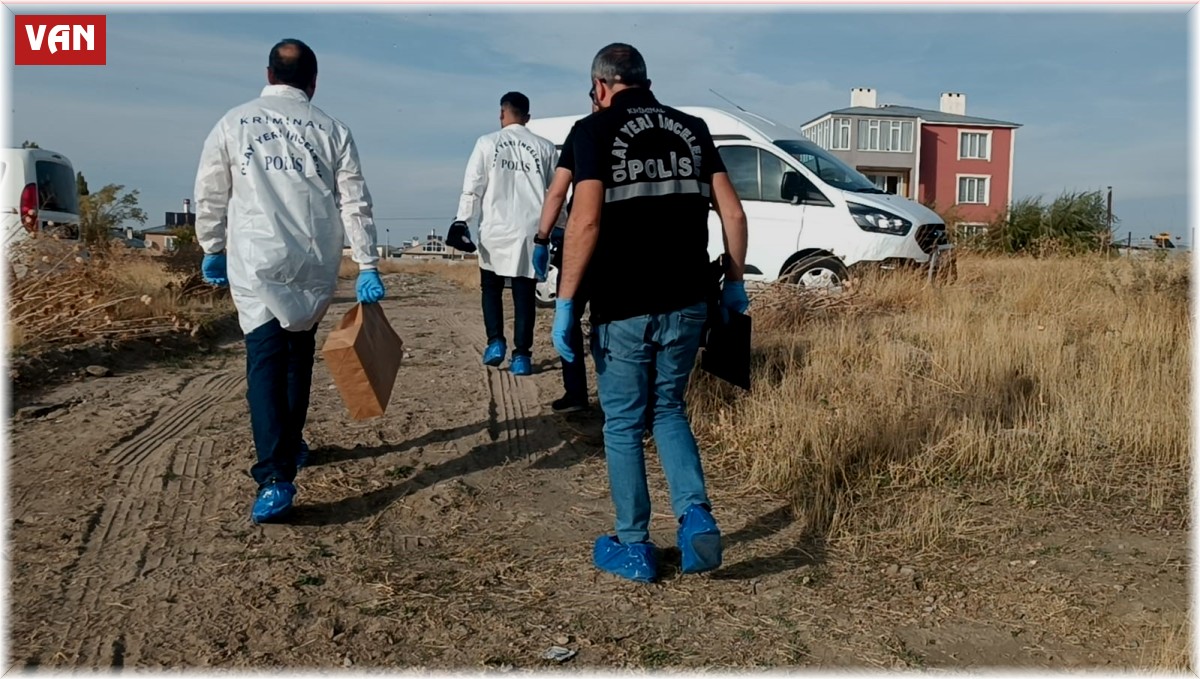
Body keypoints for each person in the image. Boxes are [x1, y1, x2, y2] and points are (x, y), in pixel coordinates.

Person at [552, 43, 749, 582]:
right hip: (689, 301)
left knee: (621, 423)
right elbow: (732, 210)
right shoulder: (691, 127)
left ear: (600, 86)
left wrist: (566, 302)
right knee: (668, 409)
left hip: (623, 306)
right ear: (644, 79)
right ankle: (695, 517)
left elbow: (586, 223)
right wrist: (734, 283)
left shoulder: (592, 132)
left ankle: (634, 544)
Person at [194, 38, 384, 524]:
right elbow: (354, 201)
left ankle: (275, 476)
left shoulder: (234, 122)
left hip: (257, 255)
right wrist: (366, 263)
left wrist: (212, 246)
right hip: (313, 260)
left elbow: (211, 190)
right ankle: (291, 447)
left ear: (269, 74)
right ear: (314, 82)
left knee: (265, 359)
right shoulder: (333, 130)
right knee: (298, 354)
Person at [449, 92, 556, 376]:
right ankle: (522, 356)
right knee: (524, 296)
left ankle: (495, 342)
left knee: (491, 290)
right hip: (529, 233)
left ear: (501, 114)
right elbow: (555, 193)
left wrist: (462, 221)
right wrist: (563, 228)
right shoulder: (544, 148)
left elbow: (473, 188)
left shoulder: (486, 143)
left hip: (494, 230)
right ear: (528, 117)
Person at [533, 99, 599, 414]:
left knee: (570, 316)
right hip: (623, 247)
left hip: (581, 244)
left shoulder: (585, 131)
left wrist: (542, 237)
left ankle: (576, 394)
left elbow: (558, 192)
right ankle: (616, 395)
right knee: (608, 323)